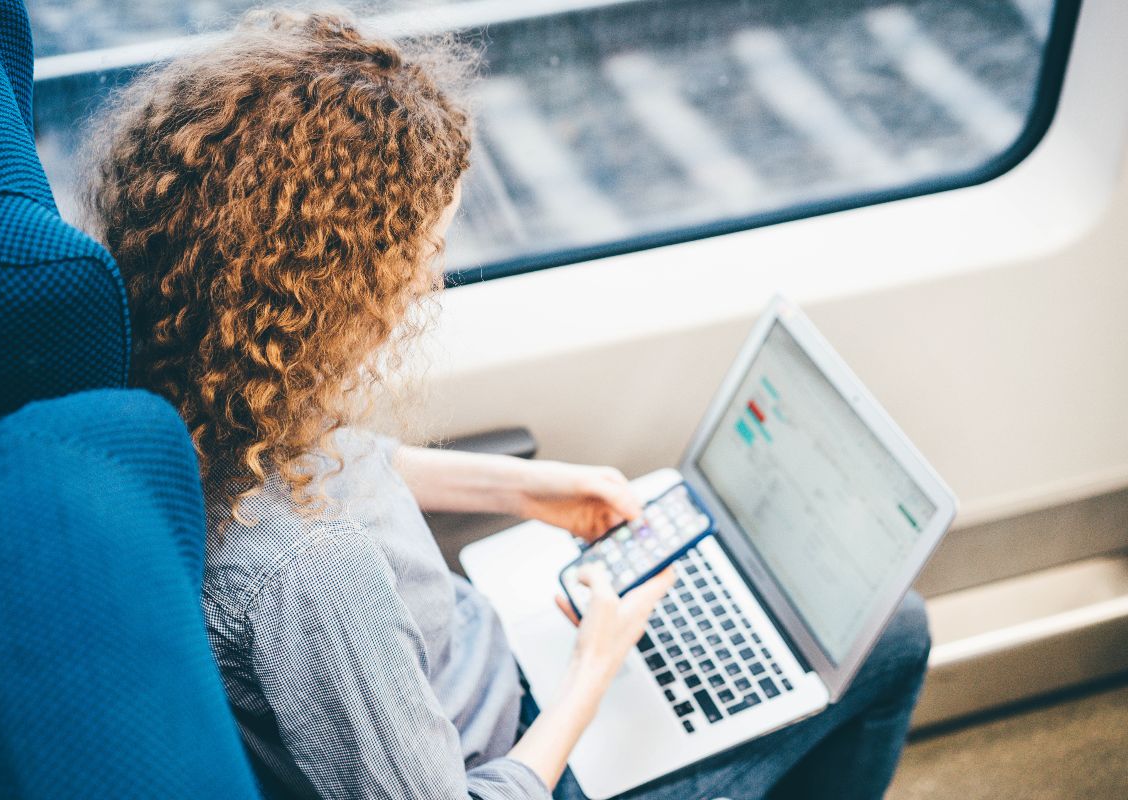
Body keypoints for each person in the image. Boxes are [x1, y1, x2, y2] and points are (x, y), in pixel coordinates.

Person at [85, 10, 931, 800]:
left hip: (479, 654)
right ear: (336, 291)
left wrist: (531, 490)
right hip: (512, 752)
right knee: (890, 635)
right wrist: (593, 671)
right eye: (421, 251)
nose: (428, 278)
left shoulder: (199, 387)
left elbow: (334, 468)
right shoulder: (310, 572)